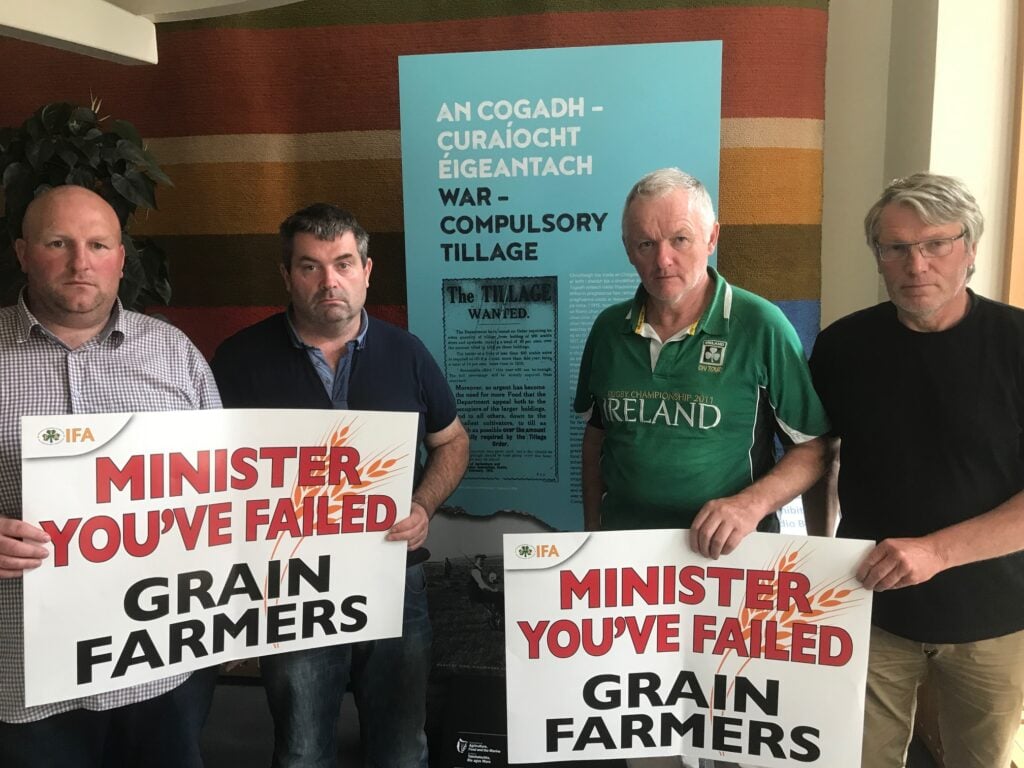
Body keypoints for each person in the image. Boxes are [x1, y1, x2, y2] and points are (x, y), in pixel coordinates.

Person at [211, 202, 469, 768]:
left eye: (344, 263)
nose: (330, 281)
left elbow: (453, 441)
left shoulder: (408, 353)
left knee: (403, 748)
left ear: (367, 271)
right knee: (302, 749)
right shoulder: (237, 360)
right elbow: (203, 475)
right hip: (291, 585)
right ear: (286, 275)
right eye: (309, 266)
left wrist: (423, 504)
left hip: (394, 574)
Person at [803, 173, 1024, 768]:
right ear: (877, 255)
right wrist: (816, 552)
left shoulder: (1017, 343)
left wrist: (934, 552)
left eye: (935, 244)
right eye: (895, 247)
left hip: (995, 618)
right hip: (868, 603)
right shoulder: (844, 346)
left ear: (971, 249)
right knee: (854, 758)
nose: (915, 263)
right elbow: (817, 454)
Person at [0, 185, 222, 768]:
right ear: (23, 252)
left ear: (122, 259)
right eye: (58, 243)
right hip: (24, 678)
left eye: (98, 244)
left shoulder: (176, 355)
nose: (81, 262)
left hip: (161, 670)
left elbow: (229, 488)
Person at [575, 168, 830, 557]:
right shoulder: (609, 329)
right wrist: (592, 531)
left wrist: (752, 504)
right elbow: (596, 438)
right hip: (624, 556)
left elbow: (813, 449)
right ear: (628, 249)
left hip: (731, 555)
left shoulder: (761, 326)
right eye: (646, 243)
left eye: (680, 239)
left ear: (711, 237)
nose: (663, 260)